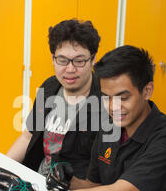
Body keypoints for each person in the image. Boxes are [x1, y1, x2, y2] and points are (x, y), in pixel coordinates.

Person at [0, 46, 166, 191]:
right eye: (107, 98)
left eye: (123, 98)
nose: (114, 107)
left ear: (147, 90)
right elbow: (95, 185)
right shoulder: (109, 126)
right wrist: (67, 180)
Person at [6, 19, 102, 180]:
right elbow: (27, 136)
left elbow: (103, 172)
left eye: (79, 61)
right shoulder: (50, 87)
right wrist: (3, 169)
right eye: (63, 60)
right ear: (53, 59)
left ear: (93, 59)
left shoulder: (105, 99)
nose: (70, 69)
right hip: (38, 180)